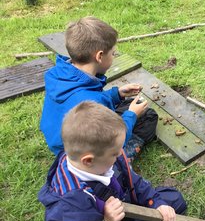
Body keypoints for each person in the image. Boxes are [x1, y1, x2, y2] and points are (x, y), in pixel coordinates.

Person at [38, 101, 187, 221]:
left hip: (127, 213)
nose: (121, 154)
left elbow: (135, 182)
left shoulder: (103, 159)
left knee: (175, 200)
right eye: (115, 153)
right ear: (88, 160)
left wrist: (156, 203)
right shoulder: (68, 206)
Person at [40, 16, 158, 158]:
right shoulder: (92, 102)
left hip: (62, 140)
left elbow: (84, 98)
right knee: (148, 117)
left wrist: (117, 94)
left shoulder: (57, 74)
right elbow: (93, 105)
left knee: (129, 104)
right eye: (113, 53)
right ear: (99, 56)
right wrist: (132, 115)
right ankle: (125, 154)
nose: (114, 57)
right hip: (80, 153)